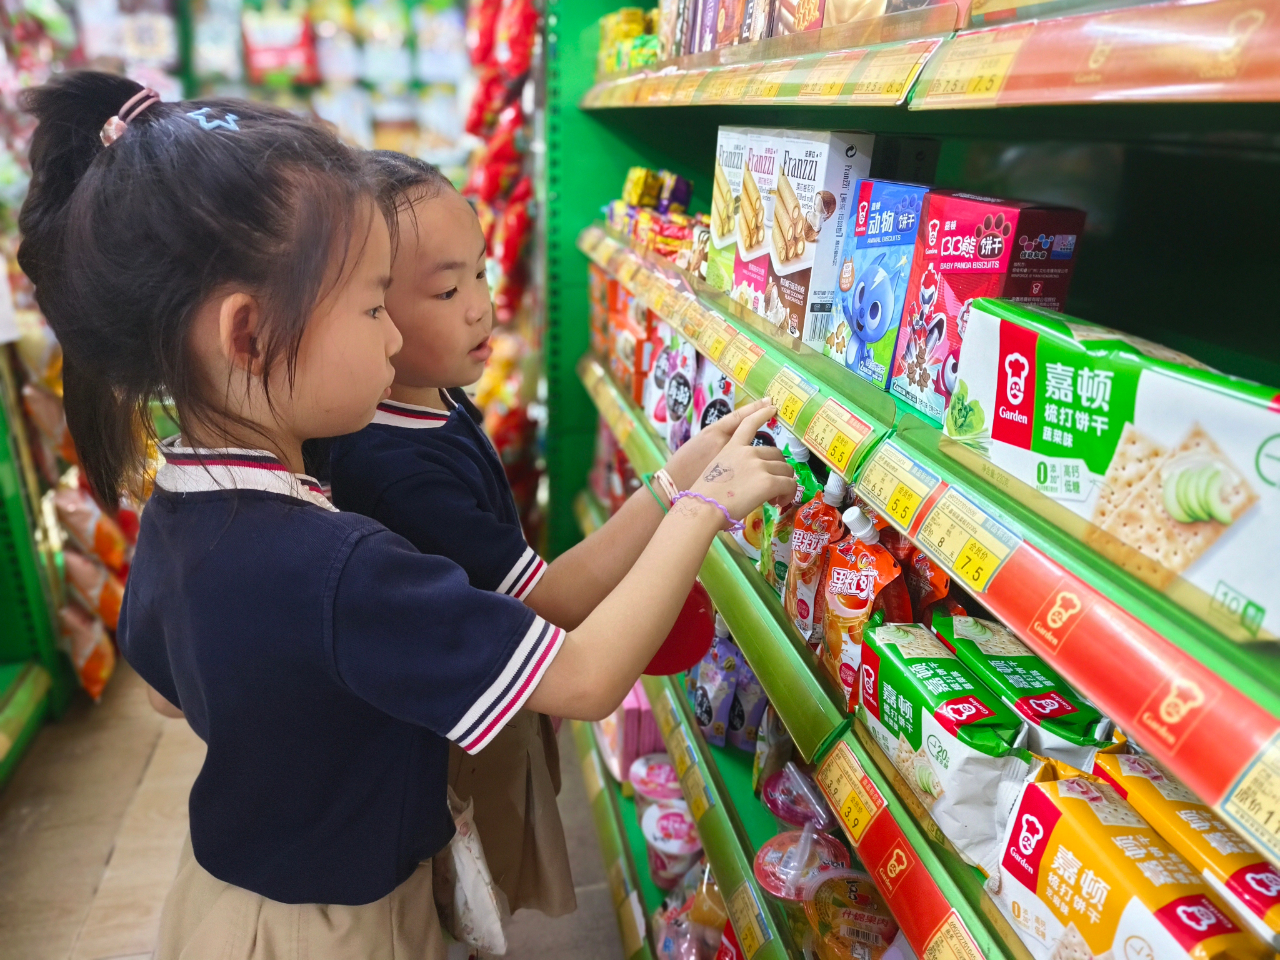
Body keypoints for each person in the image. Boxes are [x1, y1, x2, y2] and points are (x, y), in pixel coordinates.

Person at [18, 71, 795, 960]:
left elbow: (165, 692)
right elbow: (584, 680)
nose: (392, 339)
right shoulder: (340, 564)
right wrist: (700, 507)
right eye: (370, 306)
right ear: (249, 335)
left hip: (222, 903)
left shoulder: (179, 500)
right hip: (344, 930)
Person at [328, 152, 762, 918]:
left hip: (475, 696)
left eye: (482, 273)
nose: (481, 307)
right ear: (367, 309)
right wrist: (679, 494)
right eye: (446, 290)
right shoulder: (393, 468)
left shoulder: (431, 393)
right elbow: (548, 603)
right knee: (470, 887)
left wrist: (680, 472)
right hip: (449, 743)